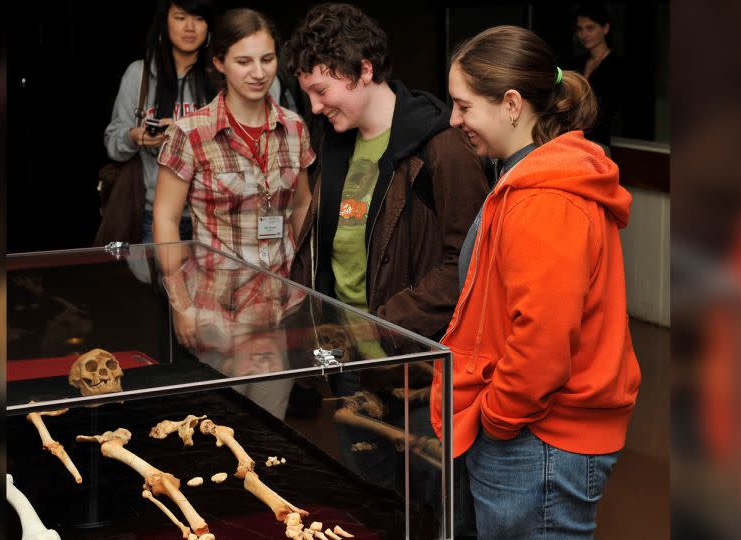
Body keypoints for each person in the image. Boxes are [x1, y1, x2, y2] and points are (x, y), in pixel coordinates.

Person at [431, 25, 641, 539]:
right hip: (533, 432)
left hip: (539, 438)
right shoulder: (525, 177)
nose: (454, 119)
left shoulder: (544, 197)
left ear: (510, 103)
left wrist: (498, 420)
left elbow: (544, 338)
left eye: (463, 106)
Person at [283, 1, 488, 522]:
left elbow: (466, 265)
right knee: (372, 504)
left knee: (436, 508)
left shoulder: (442, 147)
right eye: (306, 93)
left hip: (419, 376)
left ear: (363, 70)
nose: (313, 106)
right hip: (352, 368)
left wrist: (386, 323)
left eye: (321, 90)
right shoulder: (335, 143)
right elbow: (325, 252)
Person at [154, 9, 315, 417]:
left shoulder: (294, 128)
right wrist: (181, 305)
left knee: (273, 433)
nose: (258, 72)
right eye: (244, 61)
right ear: (220, 63)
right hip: (213, 313)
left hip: (276, 314)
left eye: (267, 59)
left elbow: (301, 205)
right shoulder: (191, 133)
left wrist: (299, 277)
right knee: (217, 430)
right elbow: (166, 219)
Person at [104, 0, 217, 243]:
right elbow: (112, 142)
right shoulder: (139, 74)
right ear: (164, 23)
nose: (190, 27)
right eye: (180, 17)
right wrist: (134, 137)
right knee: (156, 281)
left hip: (213, 215)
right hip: (152, 213)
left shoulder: (220, 75)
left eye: (199, 19)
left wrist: (182, 131)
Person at [572, 2, 621, 150]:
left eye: (590, 28)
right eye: (580, 29)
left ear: (605, 28)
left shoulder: (617, 66)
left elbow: (608, 110)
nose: (584, 35)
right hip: (573, 140)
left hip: (598, 144)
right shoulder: (577, 63)